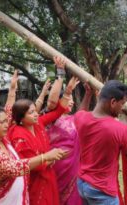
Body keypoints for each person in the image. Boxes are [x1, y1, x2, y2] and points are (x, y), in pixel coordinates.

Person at [0, 106, 67, 204]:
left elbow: (10, 108)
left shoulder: (1, 140)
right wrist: (45, 157)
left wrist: (12, 91)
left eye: (6, 121)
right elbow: (13, 168)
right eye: (2, 122)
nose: (6, 125)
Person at [7, 77, 80, 205]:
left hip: (48, 175)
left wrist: (68, 91)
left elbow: (58, 111)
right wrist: (51, 157)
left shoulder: (38, 123)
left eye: (35, 110)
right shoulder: (18, 136)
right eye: (31, 113)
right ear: (21, 118)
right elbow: (26, 164)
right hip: (33, 180)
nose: (36, 114)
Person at [74, 80, 127, 205]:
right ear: (113, 102)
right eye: (122, 104)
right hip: (102, 190)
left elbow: (80, 111)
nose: (122, 109)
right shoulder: (119, 128)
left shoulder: (81, 118)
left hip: (82, 183)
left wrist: (88, 94)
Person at [46, 56, 93, 205]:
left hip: (74, 169)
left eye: (72, 98)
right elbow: (52, 100)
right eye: (68, 97)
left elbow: (82, 113)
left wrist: (88, 94)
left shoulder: (73, 119)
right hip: (57, 166)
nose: (71, 101)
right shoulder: (51, 117)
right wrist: (60, 72)